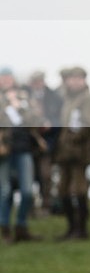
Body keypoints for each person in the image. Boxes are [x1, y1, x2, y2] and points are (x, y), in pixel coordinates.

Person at [0, 67, 44, 243]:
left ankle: (21, 226)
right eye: (3, 77)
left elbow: (36, 118)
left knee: (26, 191)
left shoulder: (24, 97)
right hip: (3, 151)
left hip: (24, 148)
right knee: (4, 191)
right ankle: (4, 229)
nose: (6, 80)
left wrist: (19, 107)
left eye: (9, 77)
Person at [55, 67, 90, 240]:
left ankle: (81, 229)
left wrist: (75, 138)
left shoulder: (87, 99)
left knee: (79, 189)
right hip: (65, 151)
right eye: (72, 78)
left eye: (78, 78)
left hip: (79, 151)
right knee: (63, 189)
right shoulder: (67, 99)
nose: (74, 81)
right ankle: (71, 227)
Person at [26, 70, 63, 214]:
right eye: (35, 81)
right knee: (30, 176)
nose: (37, 84)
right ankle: (31, 207)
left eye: (39, 80)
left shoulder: (54, 97)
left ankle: (47, 204)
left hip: (47, 143)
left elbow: (59, 119)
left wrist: (50, 125)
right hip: (29, 144)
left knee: (45, 175)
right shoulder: (25, 97)